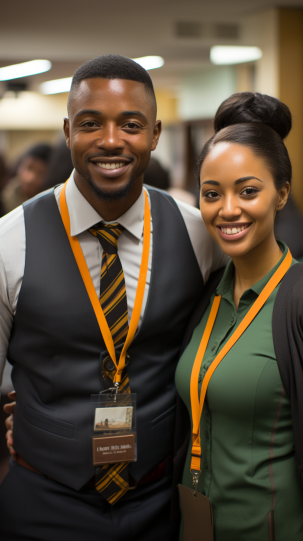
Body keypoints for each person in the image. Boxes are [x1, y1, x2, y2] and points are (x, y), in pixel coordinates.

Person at [0, 54, 226, 541]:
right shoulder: (8, 241)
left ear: (156, 134)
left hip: (163, 499)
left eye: (130, 124)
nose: (110, 140)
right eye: (90, 123)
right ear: (66, 131)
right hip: (43, 499)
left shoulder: (199, 235)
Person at [175, 92, 303, 540]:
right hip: (198, 522)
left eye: (248, 191)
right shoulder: (206, 292)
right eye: (212, 194)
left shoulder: (297, 301)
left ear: (281, 194)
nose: (228, 209)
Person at [2, 143, 52, 214]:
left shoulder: (50, 207)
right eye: (29, 168)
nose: (31, 178)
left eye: (40, 173)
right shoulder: (4, 201)